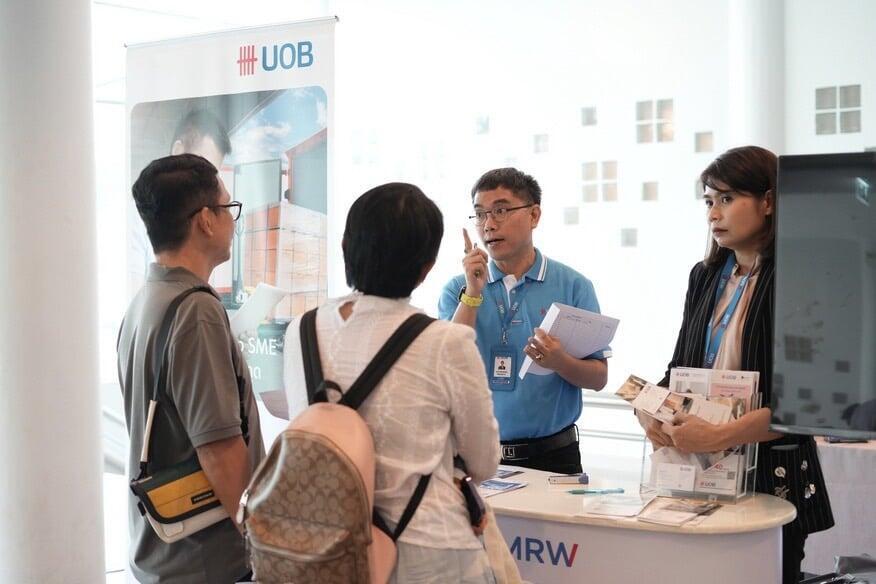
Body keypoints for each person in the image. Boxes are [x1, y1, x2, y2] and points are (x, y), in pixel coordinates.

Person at [283, 182, 501, 584]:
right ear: (426, 267)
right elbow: (484, 462)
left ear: (346, 246)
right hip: (430, 552)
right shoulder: (446, 341)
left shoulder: (301, 329)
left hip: (330, 547)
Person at [638, 145, 834, 584]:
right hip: (696, 473)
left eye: (727, 199)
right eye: (709, 201)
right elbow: (679, 368)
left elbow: (805, 404)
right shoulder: (704, 275)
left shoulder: (802, 277)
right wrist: (649, 407)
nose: (713, 214)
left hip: (770, 477)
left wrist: (721, 434)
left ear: (768, 201)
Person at [118, 154, 264, 583]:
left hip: (164, 554)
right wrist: (264, 545)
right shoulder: (196, 310)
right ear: (205, 220)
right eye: (228, 207)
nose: (233, 220)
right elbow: (219, 450)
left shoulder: (145, 301)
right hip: (206, 562)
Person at [438, 168, 609, 475]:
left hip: (554, 457)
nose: (489, 224)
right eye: (480, 214)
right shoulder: (458, 289)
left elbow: (598, 379)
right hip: (474, 456)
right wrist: (473, 293)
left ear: (534, 215)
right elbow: (446, 365)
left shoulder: (573, 286)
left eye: (500, 211)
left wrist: (560, 362)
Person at [128, 109, 233, 295]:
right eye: (201, 168)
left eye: (213, 173)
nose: (211, 184)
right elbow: (133, 292)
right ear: (177, 151)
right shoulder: (134, 220)